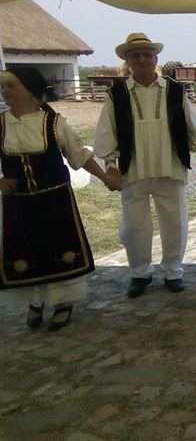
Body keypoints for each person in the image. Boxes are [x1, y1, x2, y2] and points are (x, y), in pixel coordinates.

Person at [0, 67, 120, 330]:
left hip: (54, 202)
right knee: (27, 249)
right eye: (4, 86)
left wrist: (105, 177)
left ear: (30, 90)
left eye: (11, 86)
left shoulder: (54, 123)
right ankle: (35, 301)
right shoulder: (1, 123)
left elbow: (80, 155)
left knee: (56, 248)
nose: (5, 91)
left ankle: (61, 302)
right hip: (18, 204)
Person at [94, 33, 196, 298]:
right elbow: (107, 130)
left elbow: (192, 126)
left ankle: (173, 271)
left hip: (170, 165)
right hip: (133, 168)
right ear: (127, 61)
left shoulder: (175, 90)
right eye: (135, 55)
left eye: (147, 54)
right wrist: (110, 164)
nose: (142, 59)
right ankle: (140, 273)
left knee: (175, 221)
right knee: (134, 225)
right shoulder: (116, 94)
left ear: (156, 58)